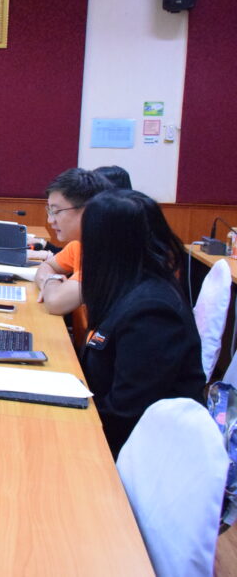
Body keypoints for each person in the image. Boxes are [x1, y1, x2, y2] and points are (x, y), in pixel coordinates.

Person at [79, 189, 203, 457]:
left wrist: (70, 426)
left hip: (142, 455)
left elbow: (125, 413)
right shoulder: (126, 287)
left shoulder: (152, 311)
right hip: (115, 436)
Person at [33, 168, 112, 348]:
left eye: (56, 211)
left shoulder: (105, 254)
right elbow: (46, 266)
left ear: (88, 211)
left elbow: (55, 303)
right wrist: (54, 280)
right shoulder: (79, 244)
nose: (50, 220)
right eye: (49, 211)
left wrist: (49, 282)